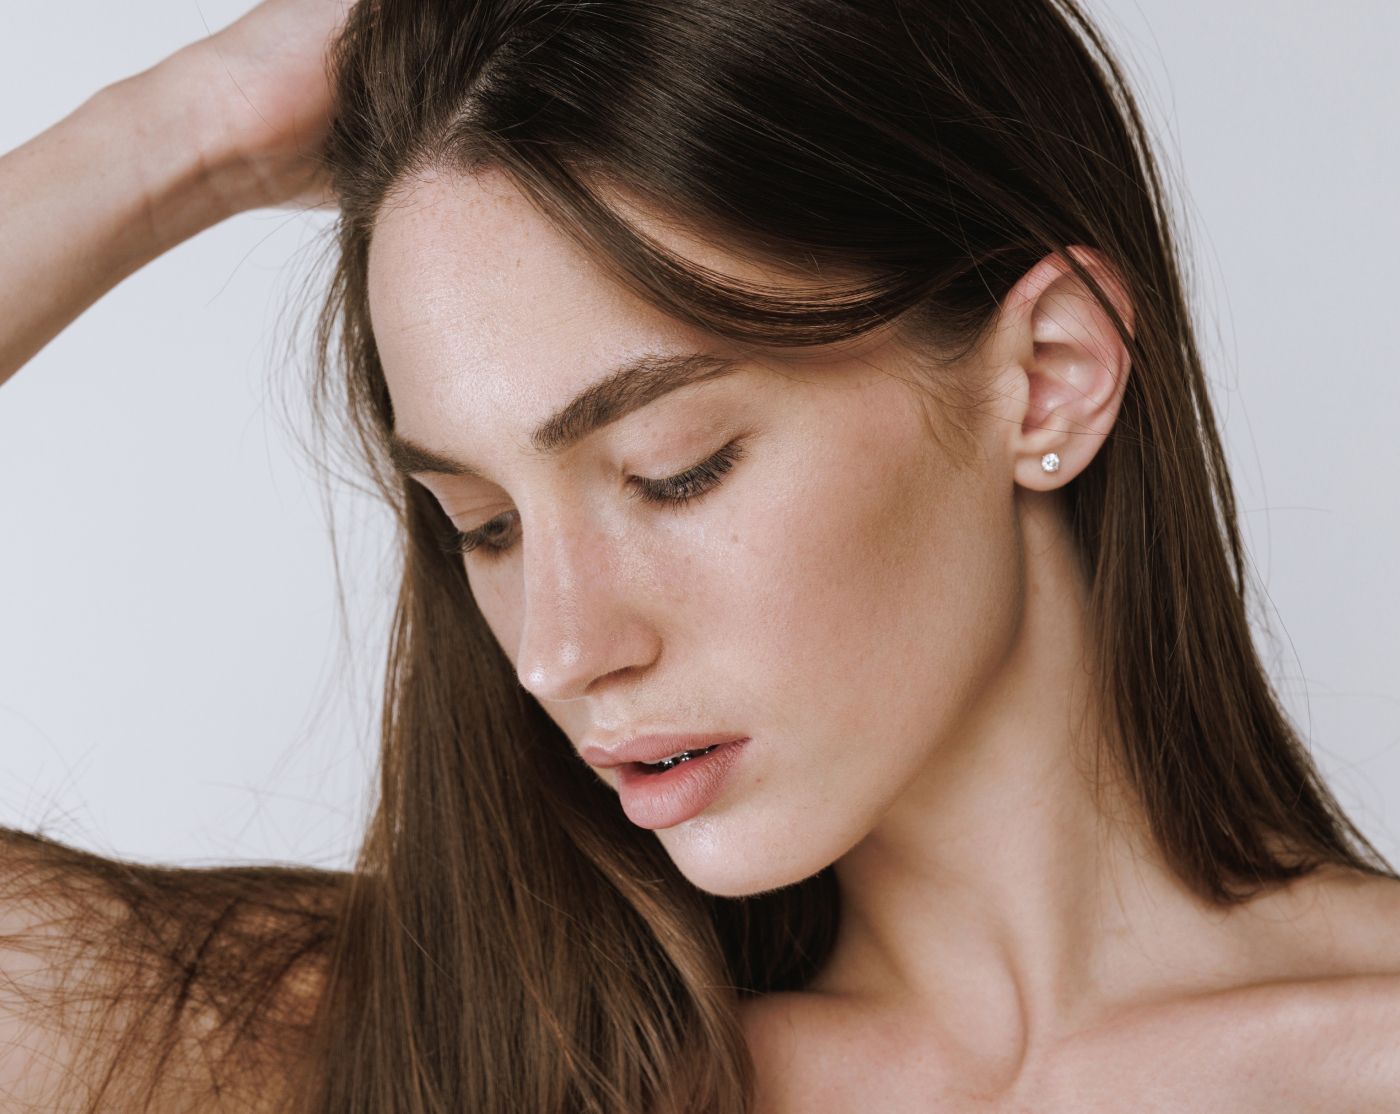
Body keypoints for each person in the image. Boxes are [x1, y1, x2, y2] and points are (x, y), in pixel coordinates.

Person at [2, 0, 1398, 1110]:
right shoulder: (468, 1062)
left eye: (674, 472)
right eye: (482, 525)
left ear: (1046, 377)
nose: (558, 647)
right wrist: (180, 135)